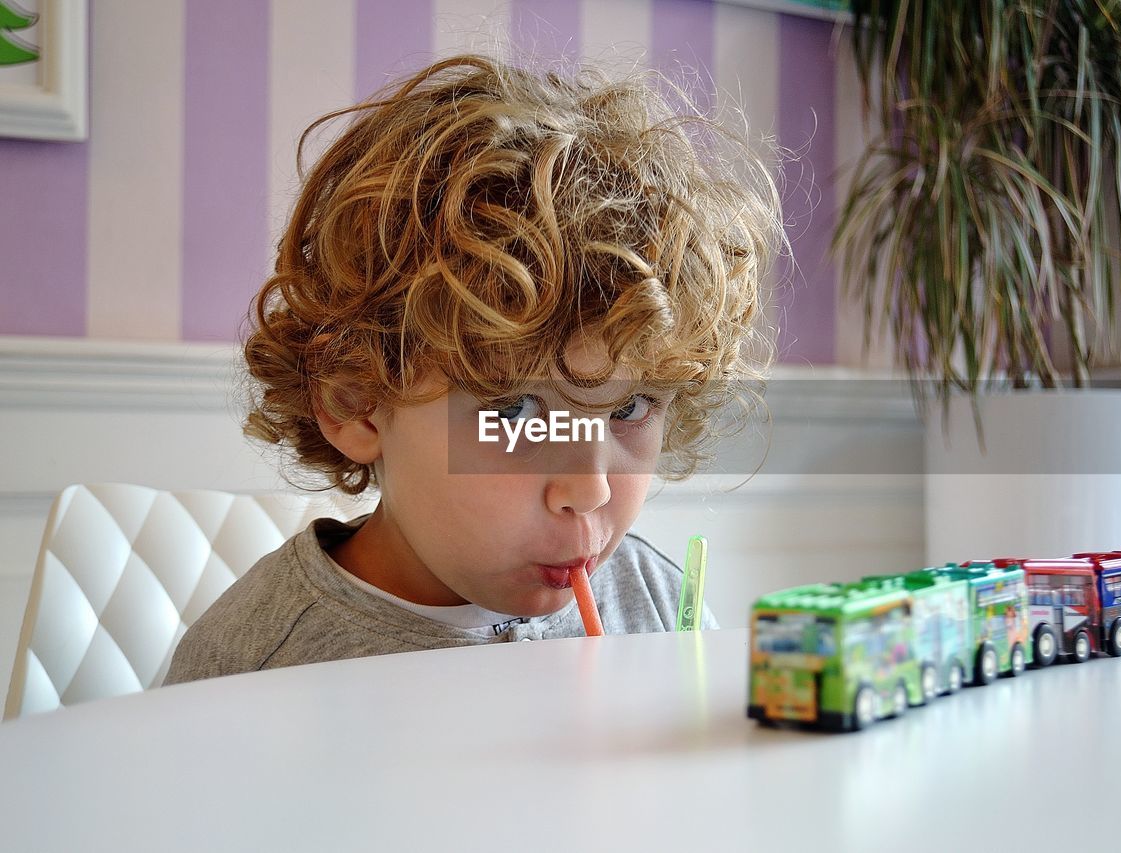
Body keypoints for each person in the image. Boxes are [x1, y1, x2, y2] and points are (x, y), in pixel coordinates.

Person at [163, 53, 783, 685]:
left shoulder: (657, 606)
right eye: (516, 411)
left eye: (629, 408)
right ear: (355, 401)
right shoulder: (250, 674)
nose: (590, 490)